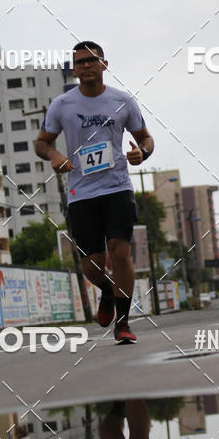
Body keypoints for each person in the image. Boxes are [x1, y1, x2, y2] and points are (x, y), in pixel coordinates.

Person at [35, 42, 154, 344]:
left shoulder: (123, 101)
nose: (86, 66)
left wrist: (142, 152)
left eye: (92, 60)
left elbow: (145, 138)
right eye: (80, 62)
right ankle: (107, 290)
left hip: (117, 187)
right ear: (73, 69)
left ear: (104, 64)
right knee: (91, 265)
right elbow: (42, 142)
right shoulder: (62, 105)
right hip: (81, 193)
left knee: (121, 251)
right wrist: (54, 157)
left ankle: (124, 322)